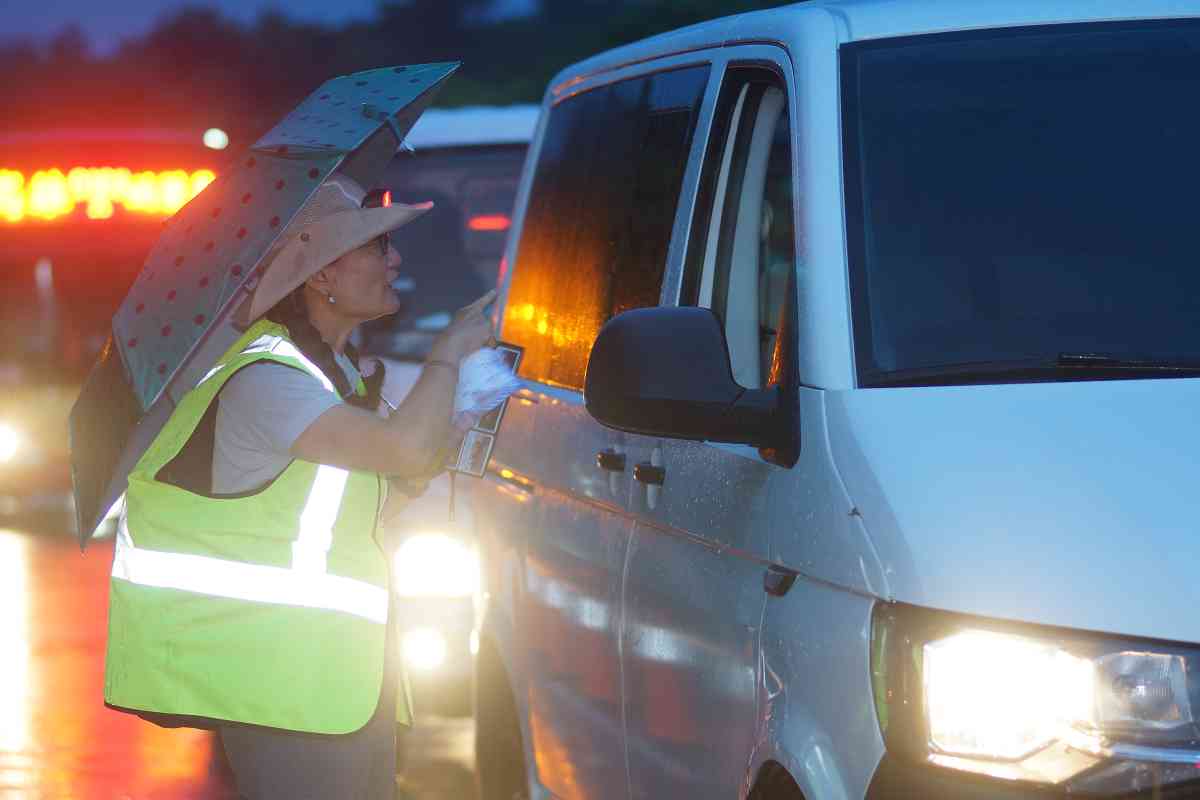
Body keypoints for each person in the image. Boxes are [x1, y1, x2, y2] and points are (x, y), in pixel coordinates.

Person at [103, 173, 494, 800]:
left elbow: (383, 488)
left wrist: (451, 430)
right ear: (320, 277)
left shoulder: (329, 372)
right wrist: (448, 353)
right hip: (281, 685)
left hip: (336, 678)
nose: (394, 260)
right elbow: (402, 450)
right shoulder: (269, 379)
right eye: (375, 249)